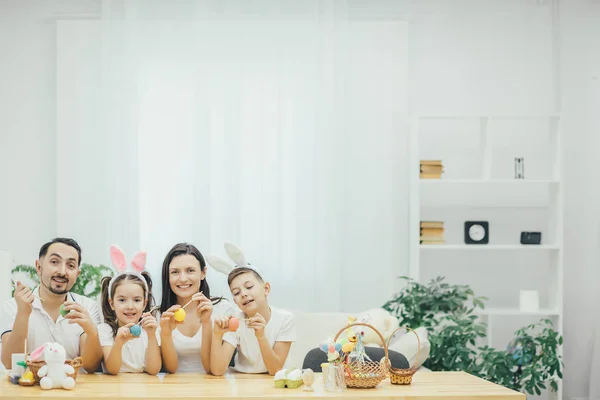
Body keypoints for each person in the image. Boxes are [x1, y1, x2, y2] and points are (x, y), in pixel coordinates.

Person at [0, 238, 103, 373]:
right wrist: (23, 314)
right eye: (54, 262)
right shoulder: (12, 307)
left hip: (74, 390)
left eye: (70, 266)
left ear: (77, 274)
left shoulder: (87, 307)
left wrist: (92, 331)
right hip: (28, 390)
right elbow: (10, 364)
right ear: (39, 267)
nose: (61, 271)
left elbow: (90, 366)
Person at [158, 243, 232, 373]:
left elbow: (211, 369)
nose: (183, 279)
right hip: (172, 389)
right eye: (175, 272)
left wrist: (206, 323)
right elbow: (170, 368)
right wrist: (166, 332)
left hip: (214, 388)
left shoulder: (223, 310)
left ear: (203, 273)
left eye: (190, 270)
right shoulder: (160, 315)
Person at [210, 264, 295, 375]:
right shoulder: (235, 319)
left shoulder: (285, 319)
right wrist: (217, 335)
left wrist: (261, 336)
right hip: (243, 382)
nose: (243, 294)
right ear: (235, 301)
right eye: (236, 293)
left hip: (275, 384)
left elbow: (275, 370)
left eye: (249, 287)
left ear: (266, 289)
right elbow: (217, 371)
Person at [98, 264, 160, 374]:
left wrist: (151, 336)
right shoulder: (105, 330)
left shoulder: (150, 330)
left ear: (144, 303)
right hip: (115, 388)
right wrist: (119, 342)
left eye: (137, 300)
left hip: (144, 388)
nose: (130, 306)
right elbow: (112, 370)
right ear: (112, 303)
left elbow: (153, 370)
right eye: (122, 300)